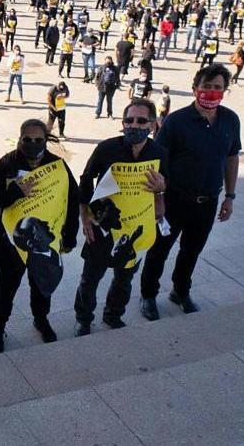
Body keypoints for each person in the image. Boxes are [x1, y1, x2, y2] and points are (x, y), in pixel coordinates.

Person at [142, 64, 241, 317]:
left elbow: (231, 157)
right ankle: (148, 295)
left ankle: (180, 291)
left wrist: (229, 196)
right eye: (206, 87)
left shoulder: (230, 120)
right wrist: (158, 199)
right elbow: (157, 163)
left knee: (192, 250)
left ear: (225, 90)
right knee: (159, 249)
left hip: (207, 200)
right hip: (174, 199)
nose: (211, 92)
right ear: (194, 89)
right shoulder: (176, 122)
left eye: (217, 87)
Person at [0, 119, 78, 351]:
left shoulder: (57, 166)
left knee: (41, 283)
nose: (33, 144)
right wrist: (15, 192)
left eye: (38, 140)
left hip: (44, 239)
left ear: (46, 140)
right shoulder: (7, 164)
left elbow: (72, 199)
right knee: (7, 286)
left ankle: (41, 319)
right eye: (27, 140)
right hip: (9, 241)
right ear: (19, 139)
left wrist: (70, 235)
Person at [74, 98, 167, 333]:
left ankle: (113, 315)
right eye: (129, 120)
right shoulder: (107, 148)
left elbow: (165, 184)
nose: (134, 125)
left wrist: (161, 192)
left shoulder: (159, 152)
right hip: (103, 225)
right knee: (90, 278)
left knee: (124, 277)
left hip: (136, 226)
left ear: (152, 125)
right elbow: (86, 179)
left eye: (141, 121)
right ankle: (84, 320)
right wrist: (84, 214)